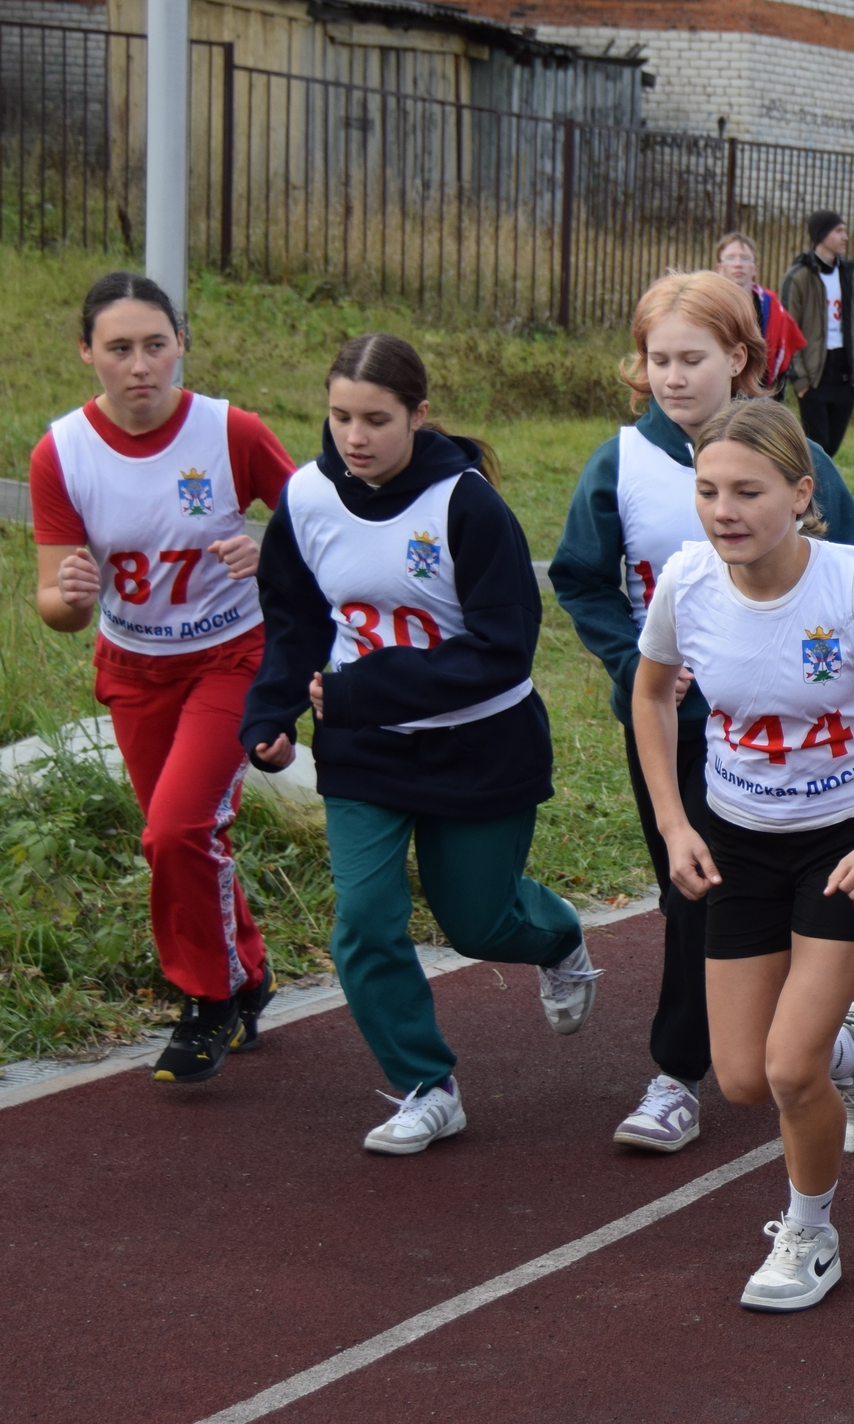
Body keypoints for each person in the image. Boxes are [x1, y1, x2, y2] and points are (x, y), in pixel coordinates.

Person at [630, 397, 854, 1311]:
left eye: (748, 491)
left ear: (801, 493)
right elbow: (651, 695)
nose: (724, 510)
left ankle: (810, 1231)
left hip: (845, 842)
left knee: (787, 1071)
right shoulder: (687, 582)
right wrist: (675, 824)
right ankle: (848, 1046)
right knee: (743, 1077)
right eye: (708, 491)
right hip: (735, 842)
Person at [243, 335, 602, 1154]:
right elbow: (294, 619)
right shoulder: (306, 498)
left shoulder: (467, 505)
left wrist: (365, 687)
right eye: (340, 416)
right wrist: (270, 714)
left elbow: (503, 650)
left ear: (419, 415)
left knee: (479, 923)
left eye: (376, 419)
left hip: (482, 744)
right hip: (364, 750)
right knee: (365, 920)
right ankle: (426, 1085)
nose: (354, 436)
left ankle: (557, 935)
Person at [552, 273, 854, 1153]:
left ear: (738, 358)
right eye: (657, 359)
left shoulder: (794, 455)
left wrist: (812, 663)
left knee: (724, 899)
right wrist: (637, 662)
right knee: (688, 888)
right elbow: (580, 575)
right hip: (674, 725)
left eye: (691, 358)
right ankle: (777, 1051)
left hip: (784, 734)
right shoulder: (622, 461)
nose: (672, 376)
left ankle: (690, 1068)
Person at [31, 271, 294, 1084]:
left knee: (177, 830)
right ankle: (247, 973)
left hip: (231, 657)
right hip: (134, 667)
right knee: (184, 837)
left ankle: (207, 1001)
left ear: (181, 343)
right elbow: (55, 604)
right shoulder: (61, 452)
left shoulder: (231, 431)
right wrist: (71, 598)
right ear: (86, 353)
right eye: (119, 348)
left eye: (155, 344)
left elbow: (322, 528)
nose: (140, 365)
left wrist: (269, 551)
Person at [781, 211, 854, 456]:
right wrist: (801, 380)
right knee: (817, 448)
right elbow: (787, 328)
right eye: (839, 231)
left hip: (844, 372)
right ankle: (807, 482)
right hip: (814, 372)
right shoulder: (799, 276)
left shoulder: (847, 274)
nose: (845, 237)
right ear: (821, 235)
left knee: (831, 448)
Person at [714, 230, 805, 393]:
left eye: (745, 258)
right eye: (730, 258)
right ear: (719, 268)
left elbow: (786, 347)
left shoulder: (771, 305)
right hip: (720, 389)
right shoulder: (708, 304)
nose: (738, 264)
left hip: (761, 391)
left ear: (755, 268)